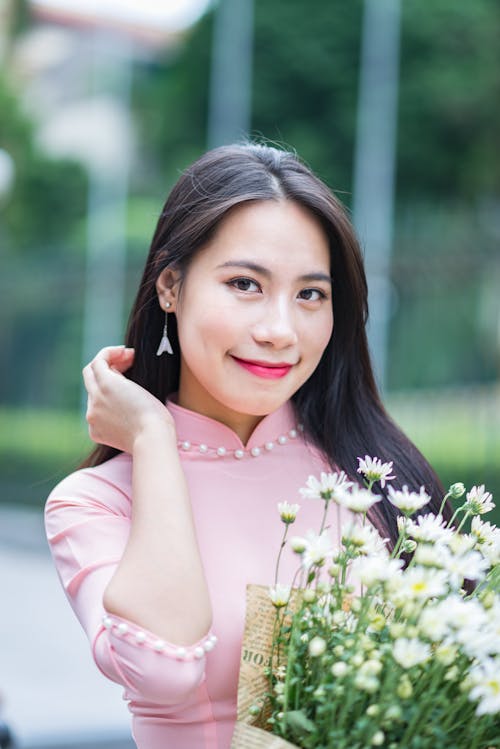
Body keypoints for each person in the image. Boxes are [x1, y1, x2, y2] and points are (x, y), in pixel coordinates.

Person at [45, 143, 446, 749]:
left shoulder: (378, 478)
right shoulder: (96, 503)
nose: (280, 330)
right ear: (170, 287)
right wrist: (153, 439)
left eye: (311, 294)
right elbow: (164, 671)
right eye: (244, 284)